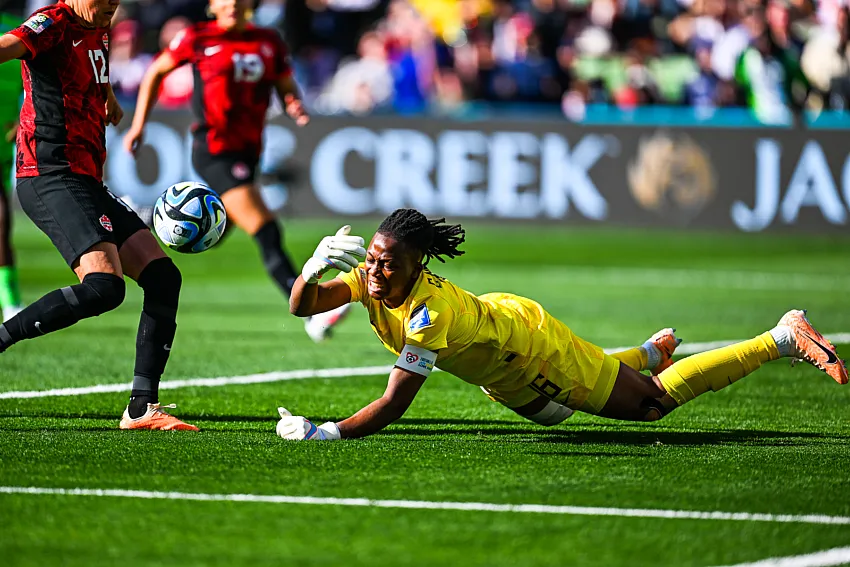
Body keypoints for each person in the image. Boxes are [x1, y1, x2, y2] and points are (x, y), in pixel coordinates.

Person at [272, 209, 848, 441]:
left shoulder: (427, 315)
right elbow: (303, 305)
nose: (373, 269)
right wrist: (311, 270)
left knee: (647, 407)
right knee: (562, 414)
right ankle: (646, 353)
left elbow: (395, 403)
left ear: (418, 264)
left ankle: (780, 336)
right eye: (371, 257)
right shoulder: (372, 280)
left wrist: (328, 432)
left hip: (528, 347)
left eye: (387, 261)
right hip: (497, 361)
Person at [0, 0, 197, 431]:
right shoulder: (52, 21)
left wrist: (105, 96)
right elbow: (8, 46)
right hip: (49, 174)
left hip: (85, 177)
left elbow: (91, 65)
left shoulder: (99, 26)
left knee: (164, 277)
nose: (111, 3)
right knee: (104, 287)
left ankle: (142, 407)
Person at [123, 0, 348, 342]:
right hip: (213, 150)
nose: (233, 5)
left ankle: (139, 216)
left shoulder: (267, 42)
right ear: (212, 5)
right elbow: (156, 71)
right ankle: (310, 310)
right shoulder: (196, 38)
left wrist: (293, 102)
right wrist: (138, 124)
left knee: (212, 230)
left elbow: (284, 83)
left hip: (248, 152)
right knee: (266, 229)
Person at [0, 13, 26, 322]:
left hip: (2, 139)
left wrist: (24, 117)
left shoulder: (19, 25)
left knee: (2, 223)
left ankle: (10, 300)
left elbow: (36, 76)